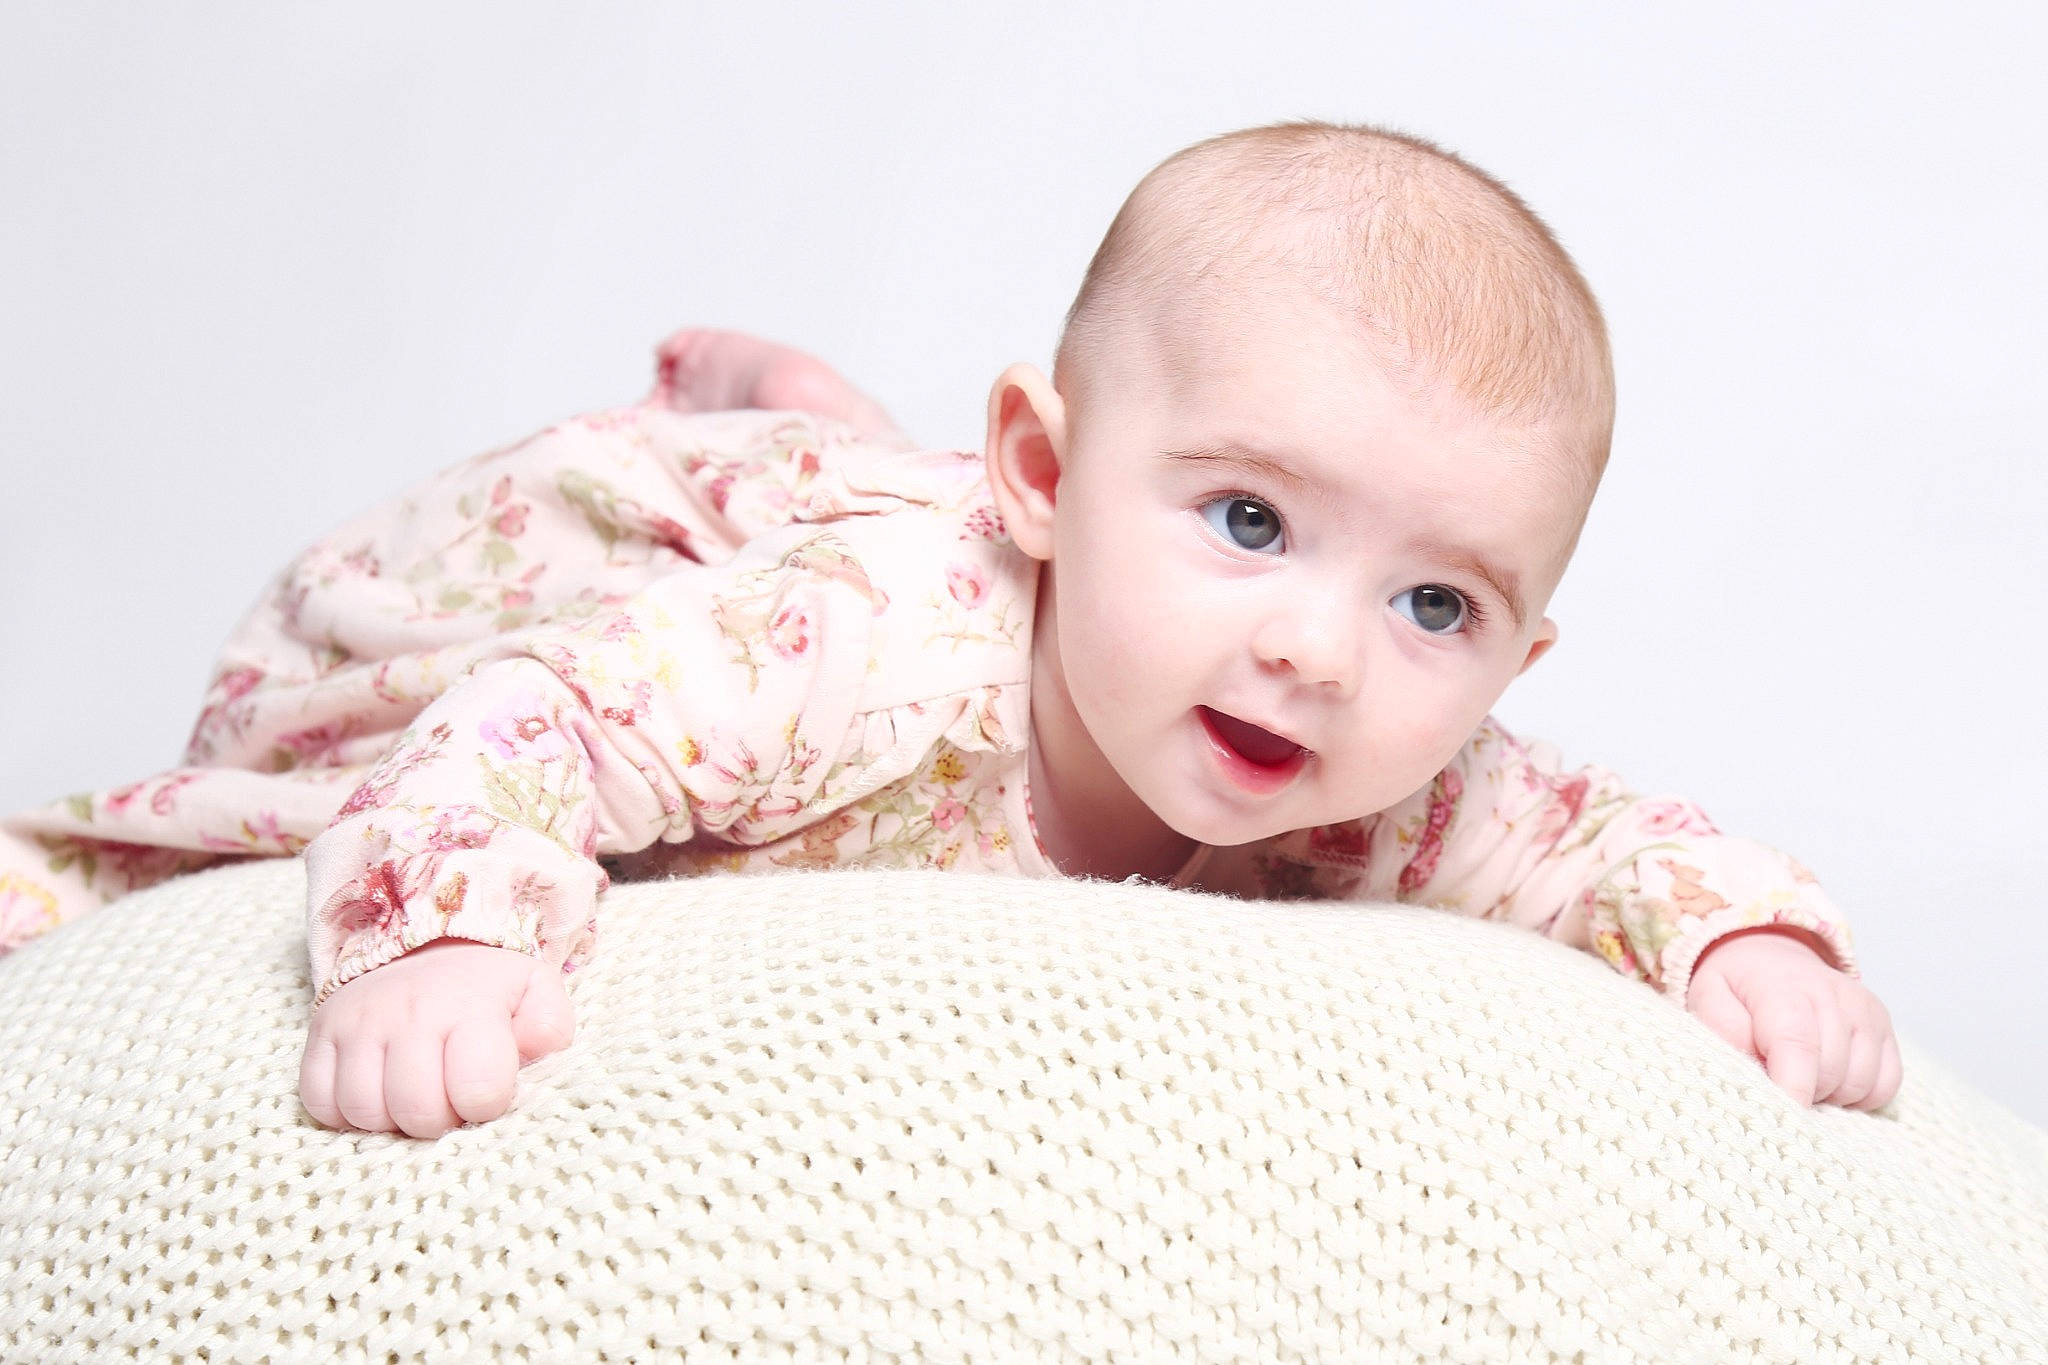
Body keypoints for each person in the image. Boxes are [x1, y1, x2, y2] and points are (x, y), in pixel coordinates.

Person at [0, 121, 1899, 1139]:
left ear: (1512, 663)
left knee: (882, 479)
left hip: (956, 529)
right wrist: (438, 937)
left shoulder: (1391, 772)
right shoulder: (861, 642)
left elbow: (1605, 844)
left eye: (1435, 602)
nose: (1323, 650)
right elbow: (529, 728)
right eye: (1249, 519)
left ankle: (825, 409)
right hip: (692, 569)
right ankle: (768, 412)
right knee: (715, 567)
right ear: (1045, 476)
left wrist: (1746, 934)